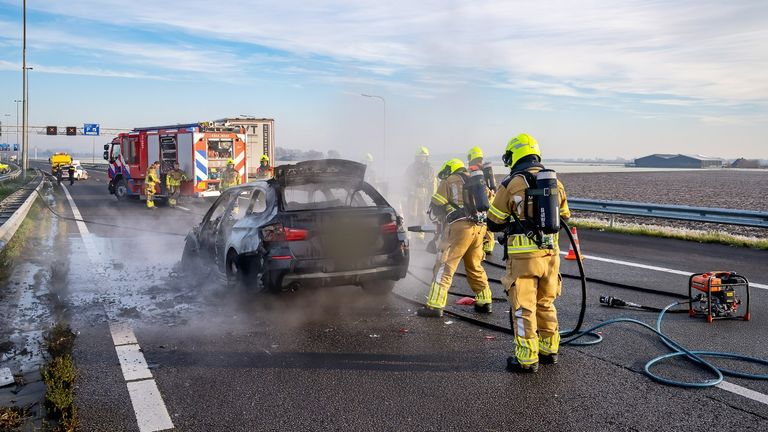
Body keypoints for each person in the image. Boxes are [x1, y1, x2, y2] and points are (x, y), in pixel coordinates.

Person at [486, 133, 571, 373]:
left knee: (524, 307)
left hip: (523, 260)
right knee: (546, 302)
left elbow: (494, 221)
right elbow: (564, 216)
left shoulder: (512, 183)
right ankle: (549, 350)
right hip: (551, 257)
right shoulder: (555, 182)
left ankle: (526, 359)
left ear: (515, 155)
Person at [417, 158, 493, 318]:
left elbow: (436, 204)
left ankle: (435, 306)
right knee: (474, 265)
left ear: (450, 169)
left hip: (459, 228)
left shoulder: (450, 180)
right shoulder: (476, 180)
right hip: (479, 228)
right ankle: (485, 301)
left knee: (445, 265)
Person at [467, 146, 496, 256]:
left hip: (483, 196)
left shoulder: (474, 168)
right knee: (487, 220)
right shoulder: (485, 168)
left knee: (482, 220)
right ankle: (489, 244)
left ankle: (481, 243)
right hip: (490, 196)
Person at [405, 146, 435, 239]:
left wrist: (432, 195)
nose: (422, 158)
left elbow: (432, 182)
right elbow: (406, 180)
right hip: (413, 193)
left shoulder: (430, 169)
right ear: (416, 157)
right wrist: (409, 190)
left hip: (424, 194)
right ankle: (409, 233)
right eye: (420, 156)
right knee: (412, 214)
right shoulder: (411, 168)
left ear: (426, 157)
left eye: (424, 156)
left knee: (422, 214)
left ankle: (420, 235)